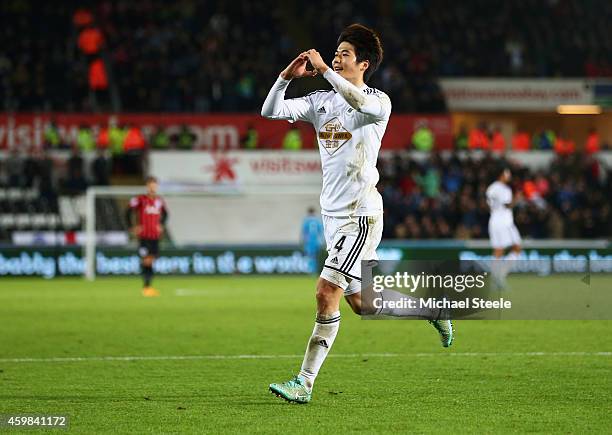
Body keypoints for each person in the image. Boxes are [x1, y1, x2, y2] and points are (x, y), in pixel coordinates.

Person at [261, 23, 453, 404]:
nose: (336, 55)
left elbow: (358, 102)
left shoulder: (378, 101)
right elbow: (271, 111)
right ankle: (432, 309)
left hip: (360, 215)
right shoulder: (321, 101)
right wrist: (286, 77)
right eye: (337, 50)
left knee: (325, 290)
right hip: (333, 217)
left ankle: (304, 383)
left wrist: (328, 73)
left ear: (363, 64)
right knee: (363, 303)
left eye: (345, 52)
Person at [125, 176, 168, 297]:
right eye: (150, 185)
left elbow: (166, 214)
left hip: (155, 236)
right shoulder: (140, 199)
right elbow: (127, 212)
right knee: (147, 260)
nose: (152, 188)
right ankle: (146, 287)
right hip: (144, 236)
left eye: (154, 185)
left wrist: (161, 225)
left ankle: (148, 286)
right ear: (147, 186)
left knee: (151, 260)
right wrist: (132, 227)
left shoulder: (159, 200)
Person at [485, 168, 522, 288]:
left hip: (494, 220)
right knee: (516, 248)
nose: (509, 176)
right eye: (507, 173)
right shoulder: (504, 188)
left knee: (498, 250)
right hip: (504, 222)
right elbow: (508, 205)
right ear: (501, 175)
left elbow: (489, 205)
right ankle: (500, 275)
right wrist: (517, 198)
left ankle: (496, 277)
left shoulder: (490, 188)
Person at [301, 207, 324, 273]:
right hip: (317, 242)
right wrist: (321, 241)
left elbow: (304, 232)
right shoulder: (317, 221)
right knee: (316, 257)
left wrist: (303, 241)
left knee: (310, 257)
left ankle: (311, 271)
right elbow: (321, 231)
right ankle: (316, 271)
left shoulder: (306, 221)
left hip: (309, 242)